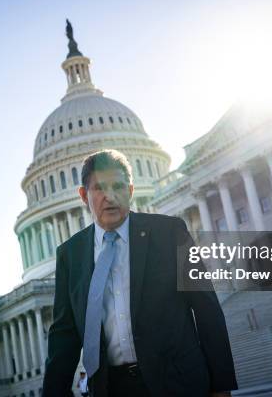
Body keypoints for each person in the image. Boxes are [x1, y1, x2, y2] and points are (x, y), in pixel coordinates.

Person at [42, 149, 237, 397]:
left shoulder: (169, 233)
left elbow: (206, 308)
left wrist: (221, 385)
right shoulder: (70, 255)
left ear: (131, 191)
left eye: (119, 186)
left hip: (178, 383)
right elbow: (64, 336)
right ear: (83, 195)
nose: (110, 196)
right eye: (99, 188)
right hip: (112, 388)